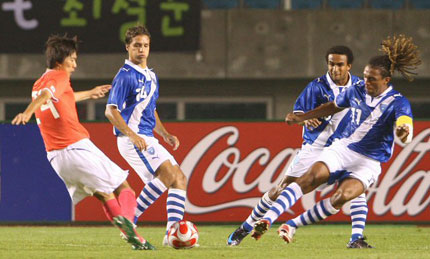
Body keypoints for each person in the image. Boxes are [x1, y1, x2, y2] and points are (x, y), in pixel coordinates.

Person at [251, 35, 420, 247]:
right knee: (310, 177)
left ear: (386, 81)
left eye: (371, 79)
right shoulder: (357, 89)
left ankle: (292, 224)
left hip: (369, 161)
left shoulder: (398, 102)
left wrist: (404, 132)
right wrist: (303, 117)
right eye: (365, 76)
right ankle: (268, 219)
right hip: (343, 149)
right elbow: (332, 106)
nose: (365, 81)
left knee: (342, 197)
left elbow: (405, 126)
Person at [11, 35, 154, 250]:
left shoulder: (40, 81)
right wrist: (27, 112)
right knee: (125, 188)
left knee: (103, 195)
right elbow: (47, 96)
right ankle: (129, 226)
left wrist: (90, 93)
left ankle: (135, 239)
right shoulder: (58, 77)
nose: (75, 65)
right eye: (73, 60)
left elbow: (59, 97)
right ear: (60, 61)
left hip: (56, 157)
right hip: (75, 147)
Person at [227, 46, 370, 248]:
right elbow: (294, 116)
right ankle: (246, 226)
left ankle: (357, 237)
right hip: (316, 147)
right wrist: (303, 120)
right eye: (331, 64)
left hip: (344, 147)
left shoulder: (360, 85)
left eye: (339, 64)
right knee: (282, 188)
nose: (335, 69)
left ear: (349, 66)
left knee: (357, 186)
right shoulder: (316, 87)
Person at [105, 25, 188, 246]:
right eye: (137, 46)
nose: (142, 50)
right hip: (131, 140)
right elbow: (110, 110)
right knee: (169, 175)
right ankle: (129, 221)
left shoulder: (150, 75)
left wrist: (164, 134)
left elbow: (150, 109)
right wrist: (132, 136)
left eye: (145, 45)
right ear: (128, 48)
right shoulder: (125, 76)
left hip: (147, 137)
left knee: (179, 178)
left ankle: (173, 235)